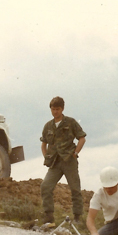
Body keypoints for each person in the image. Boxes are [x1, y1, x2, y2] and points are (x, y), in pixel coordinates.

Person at [40, 96, 86, 224]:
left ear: (62, 109)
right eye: (53, 109)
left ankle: (77, 217)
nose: (55, 112)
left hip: (69, 160)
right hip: (55, 162)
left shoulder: (70, 122)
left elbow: (82, 138)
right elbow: (43, 143)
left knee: (75, 188)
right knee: (45, 186)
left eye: (58, 109)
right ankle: (49, 216)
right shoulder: (48, 126)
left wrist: (76, 153)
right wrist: (46, 156)